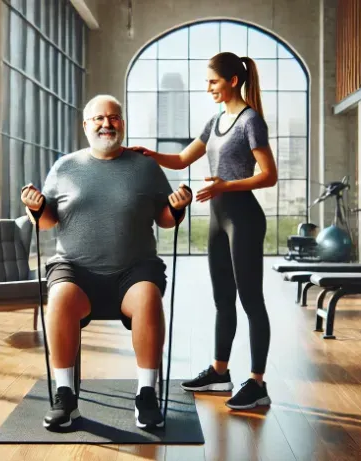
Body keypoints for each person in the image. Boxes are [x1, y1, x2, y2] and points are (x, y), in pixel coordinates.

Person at [20, 94, 193, 431]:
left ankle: (146, 394)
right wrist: (37, 207)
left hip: (134, 269)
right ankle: (65, 396)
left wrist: (176, 206)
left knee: (147, 297)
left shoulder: (145, 167)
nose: (106, 124)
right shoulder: (65, 166)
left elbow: (165, 219)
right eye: (98, 118)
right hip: (75, 268)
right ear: (86, 126)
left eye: (113, 117)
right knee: (59, 298)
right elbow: (47, 221)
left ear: (122, 124)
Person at [130, 52, 278, 410]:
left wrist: (225, 185)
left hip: (243, 218)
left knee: (251, 301)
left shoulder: (250, 121)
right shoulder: (215, 121)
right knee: (222, 299)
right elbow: (182, 159)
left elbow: (269, 176)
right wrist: (150, 153)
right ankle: (219, 371)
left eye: (213, 82)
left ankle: (258, 384)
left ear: (233, 81)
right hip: (217, 218)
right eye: (207, 83)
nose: (208, 88)